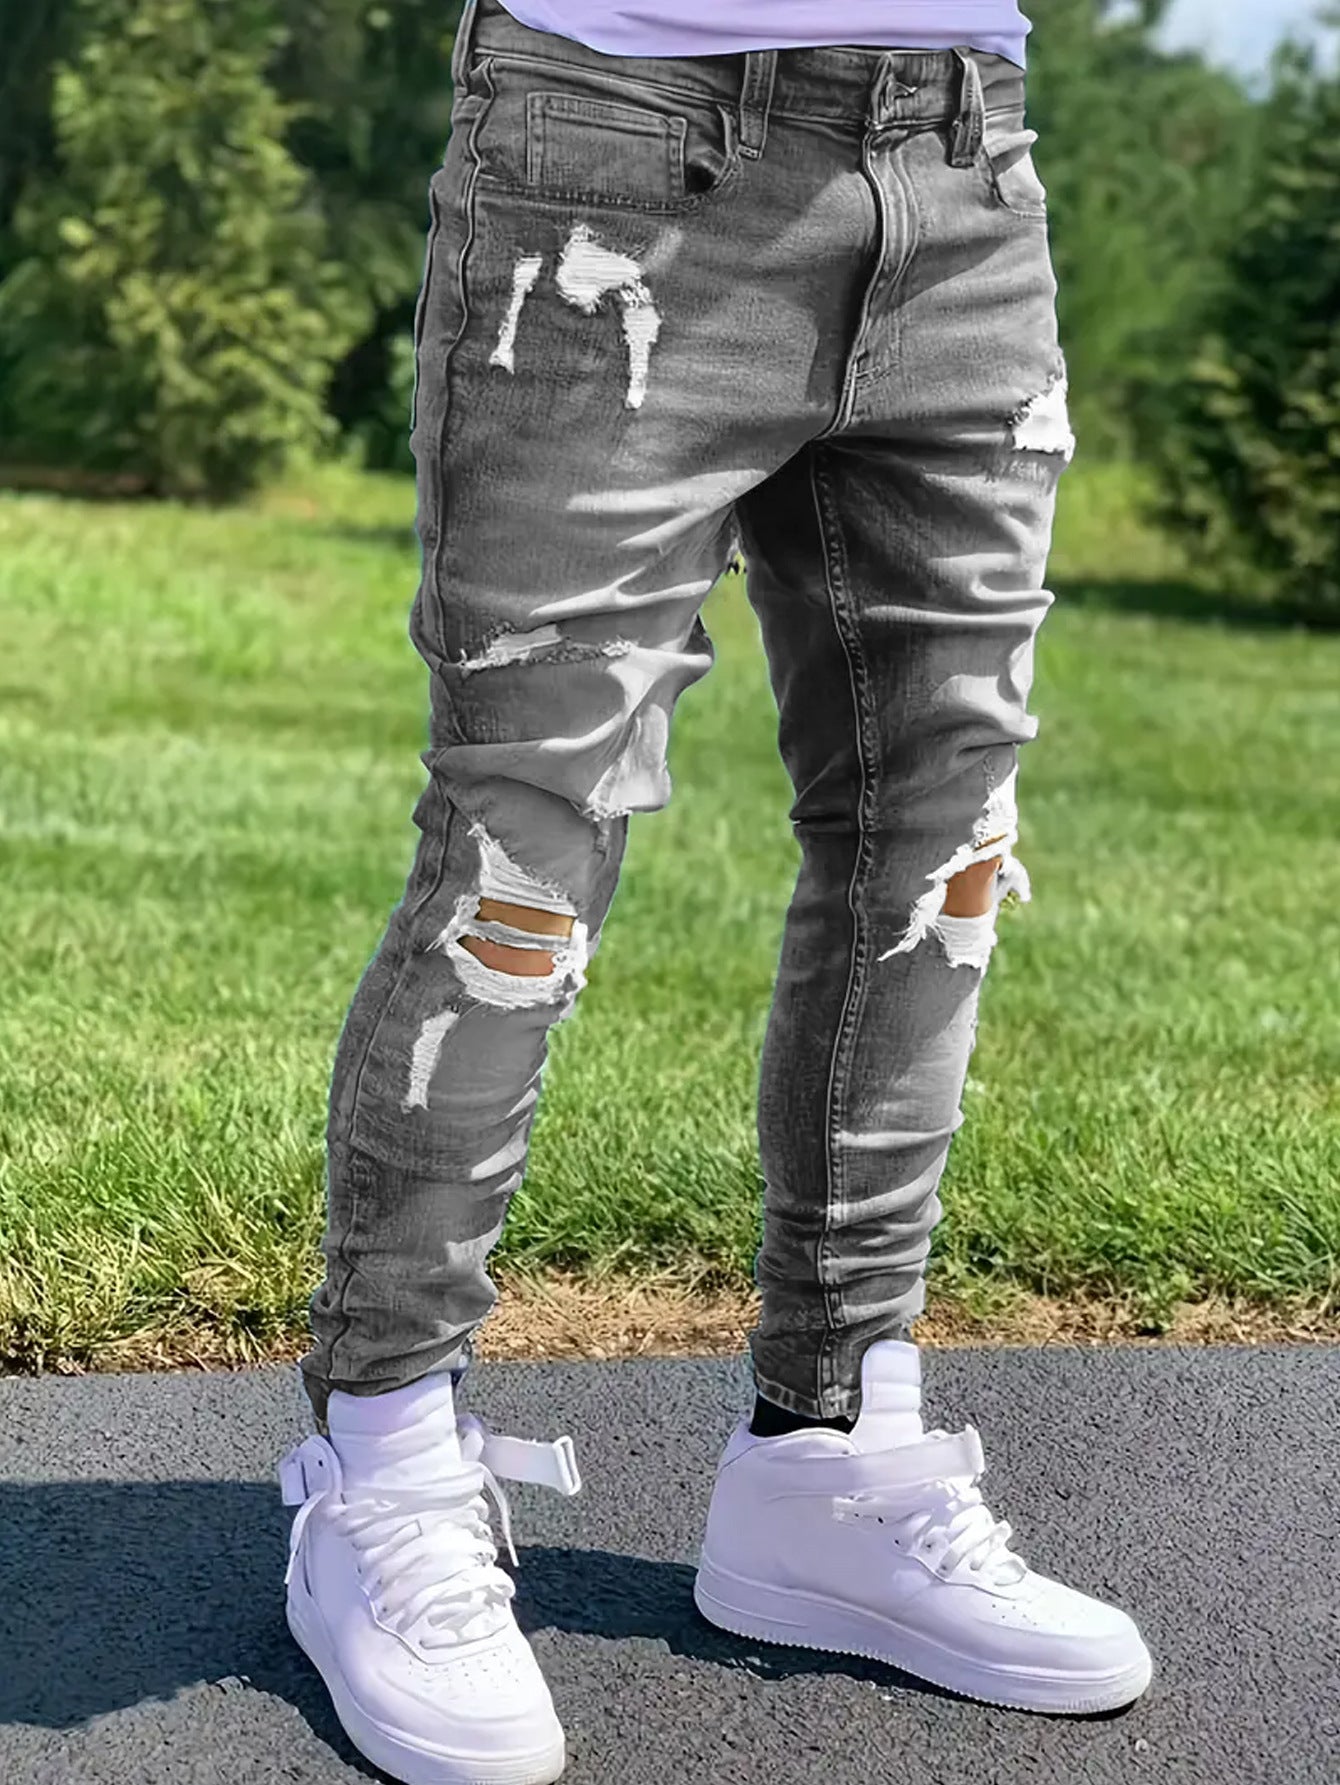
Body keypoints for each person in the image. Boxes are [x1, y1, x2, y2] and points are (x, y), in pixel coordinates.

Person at [276, 3, 1153, 1779]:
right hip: (616, 153)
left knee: (943, 851)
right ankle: (382, 1469)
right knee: (526, 854)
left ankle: (831, 1451)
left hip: (964, 168)